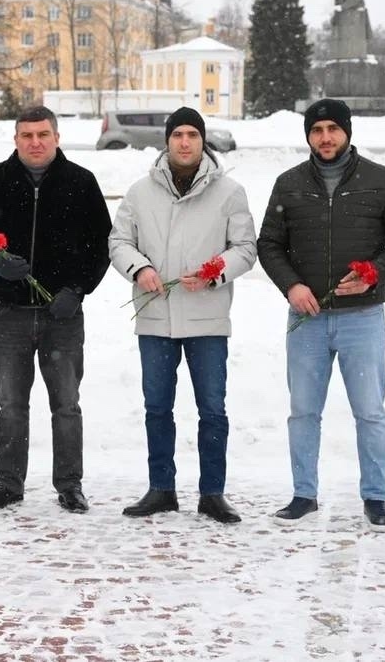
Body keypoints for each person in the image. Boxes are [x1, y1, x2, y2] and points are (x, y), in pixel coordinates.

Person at [257, 98, 385, 529]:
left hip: (362, 319)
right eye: (317, 130)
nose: (325, 137)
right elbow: (269, 244)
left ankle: (375, 497)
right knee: (303, 411)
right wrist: (291, 286)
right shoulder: (289, 183)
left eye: (333, 128)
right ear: (308, 135)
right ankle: (303, 494)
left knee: (369, 410)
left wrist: (375, 273)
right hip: (307, 319)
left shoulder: (381, 180)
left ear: (347, 131)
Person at [0, 105, 112, 513]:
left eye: (43, 134)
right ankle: (9, 483)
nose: (36, 142)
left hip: (63, 315)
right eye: (27, 135)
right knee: (11, 404)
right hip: (10, 314)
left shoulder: (81, 182)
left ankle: (70, 484)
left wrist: (78, 290)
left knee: (66, 403)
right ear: (16, 139)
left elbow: (102, 245)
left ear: (57, 137)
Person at [109, 107, 256, 523]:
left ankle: (212, 493)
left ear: (202, 140)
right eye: (178, 135)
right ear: (167, 141)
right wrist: (141, 268)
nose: (185, 142)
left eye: (193, 134)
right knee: (157, 408)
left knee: (212, 409)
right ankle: (161, 489)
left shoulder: (229, 192)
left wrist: (215, 272)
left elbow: (245, 248)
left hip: (207, 318)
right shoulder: (140, 192)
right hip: (155, 317)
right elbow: (119, 242)